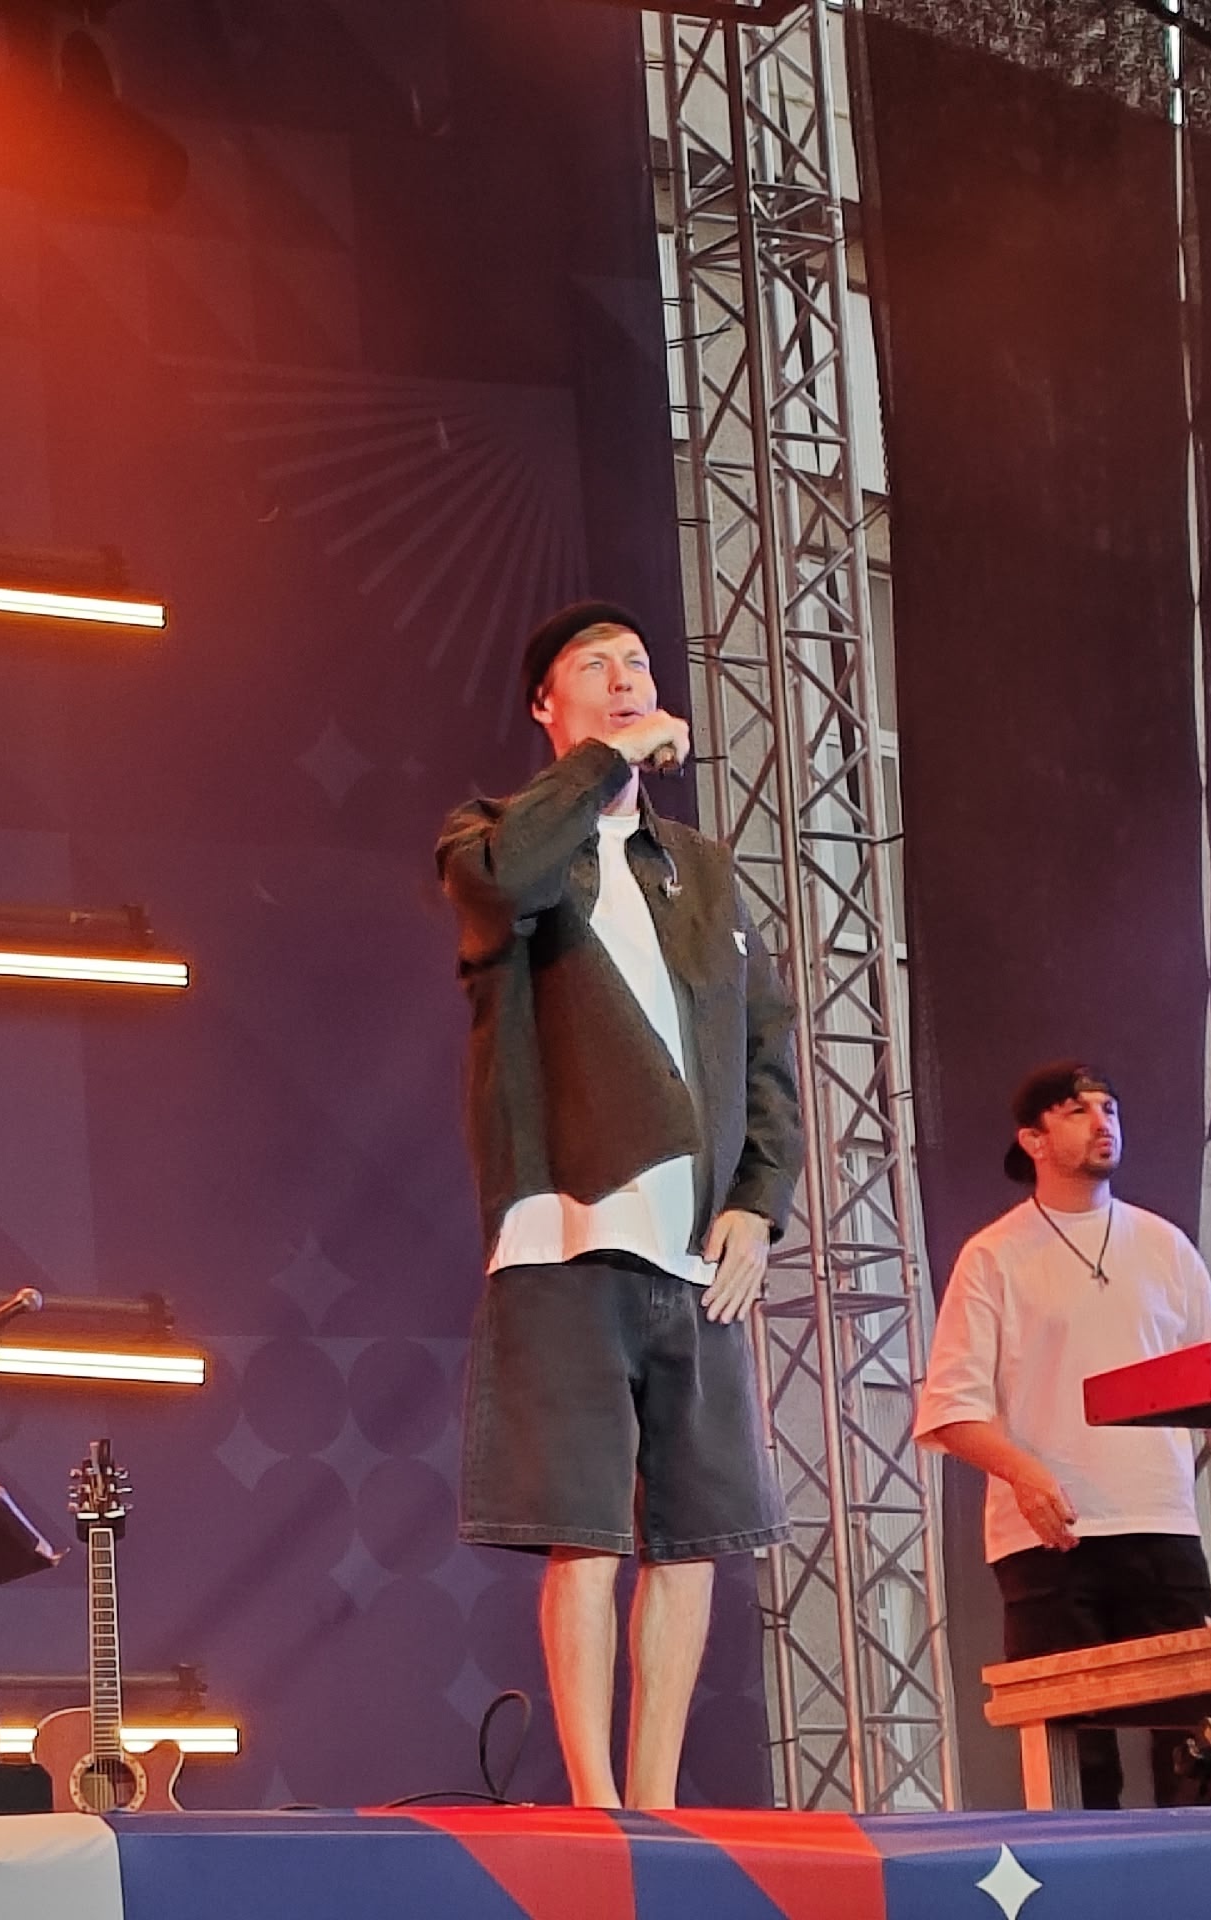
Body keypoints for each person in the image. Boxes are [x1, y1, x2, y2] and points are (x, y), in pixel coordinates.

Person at [437, 599, 803, 1810]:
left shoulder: (701, 869)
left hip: (697, 1249)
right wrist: (606, 763)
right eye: (591, 667)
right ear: (546, 707)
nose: (624, 677)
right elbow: (505, 883)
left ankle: (655, 1802)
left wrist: (758, 1202)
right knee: (586, 1533)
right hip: (563, 1235)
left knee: (694, 1538)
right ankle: (596, 1806)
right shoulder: (489, 837)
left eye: (637, 662)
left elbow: (763, 1050)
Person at [916, 1061, 1211, 1808]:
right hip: (1047, 1546)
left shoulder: (1164, 1245)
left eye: (1109, 1108)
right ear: (1033, 1139)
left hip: (1161, 1528)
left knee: (1199, 1748)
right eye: (1077, 1110)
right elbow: (951, 1411)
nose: (1102, 1123)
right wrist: (1025, 1473)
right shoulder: (993, 1255)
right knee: (1081, 1761)